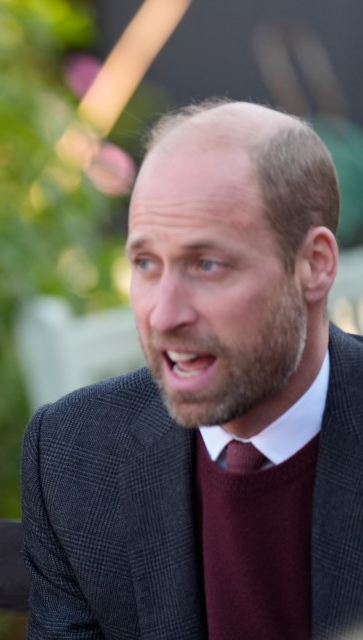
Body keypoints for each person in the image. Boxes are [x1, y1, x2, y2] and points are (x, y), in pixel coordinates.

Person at [21, 99, 363, 639]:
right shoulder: (74, 455)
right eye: (146, 264)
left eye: (207, 264)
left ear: (314, 265)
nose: (164, 313)